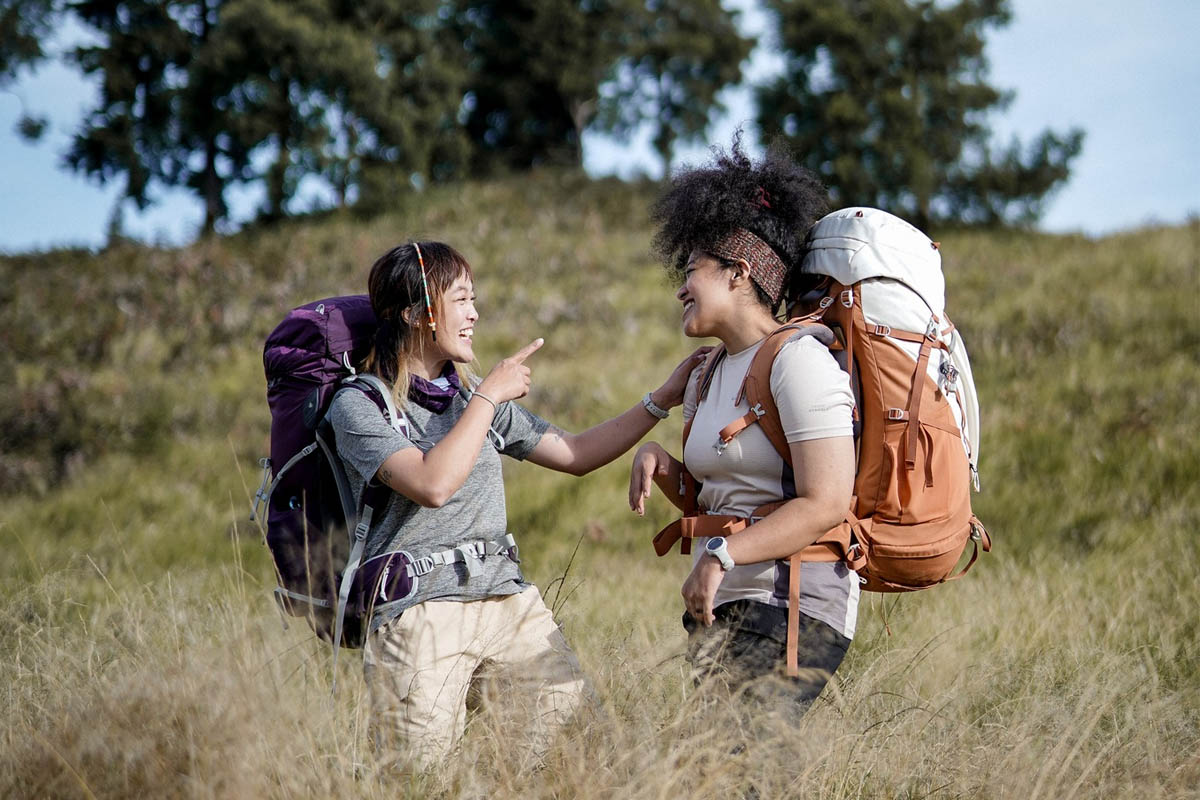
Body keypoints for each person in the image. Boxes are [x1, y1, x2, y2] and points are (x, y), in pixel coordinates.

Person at [327, 239, 704, 767]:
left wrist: (660, 399)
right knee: (420, 781)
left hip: (509, 604)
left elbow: (577, 453)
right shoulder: (358, 404)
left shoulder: (471, 396)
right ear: (416, 313)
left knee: (577, 751)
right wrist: (487, 397)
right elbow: (432, 485)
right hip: (418, 616)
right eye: (461, 299)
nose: (475, 313)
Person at [628, 140, 858, 717]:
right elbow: (724, 496)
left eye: (691, 271)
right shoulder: (706, 374)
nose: (680, 288)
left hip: (792, 603)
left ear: (738, 273)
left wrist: (721, 557)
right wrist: (664, 465)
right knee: (715, 772)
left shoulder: (800, 361)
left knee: (743, 770)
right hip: (722, 604)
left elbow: (827, 501)